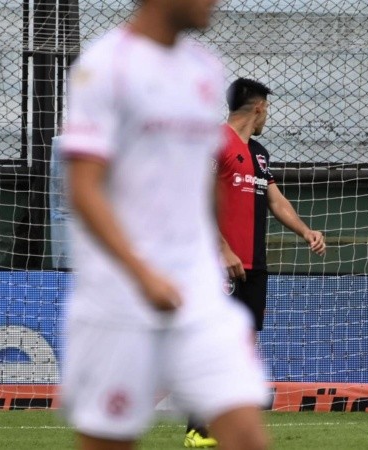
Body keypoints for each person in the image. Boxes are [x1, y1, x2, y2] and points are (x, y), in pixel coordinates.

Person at [58, 1, 269, 449]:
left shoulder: (204, 70)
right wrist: (143, 273)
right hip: (121, 293)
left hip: (198, 291)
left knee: (246, 434)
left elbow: (201, 180)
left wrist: (212, 247)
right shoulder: (104, 66)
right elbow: (83, 190)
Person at [183, 78, 326, 447]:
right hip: (219, 262)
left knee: (242, 346)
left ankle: (222, 425)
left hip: (253, 265)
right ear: (259, 107)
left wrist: (306, 231)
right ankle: (198, 429)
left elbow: (276, 201)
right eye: (267, 109)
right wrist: (222, 248)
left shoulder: (259, 153)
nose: (267, 116)